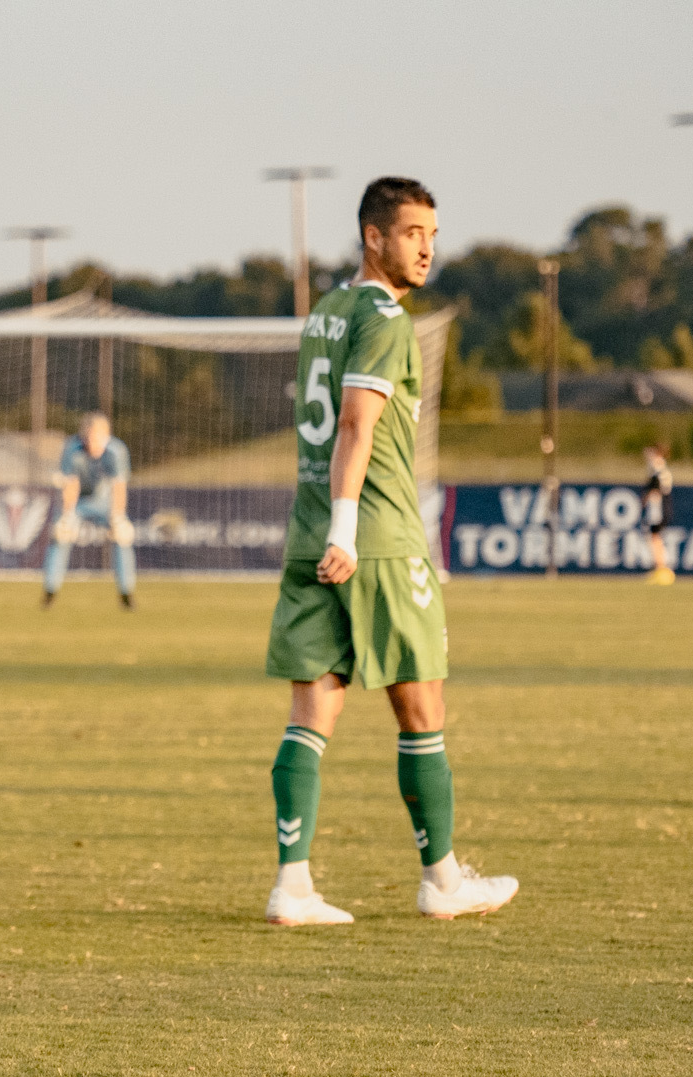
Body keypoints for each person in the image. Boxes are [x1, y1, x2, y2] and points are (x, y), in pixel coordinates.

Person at [262, 178, 517, 926]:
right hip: (372, 539)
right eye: (412, 233)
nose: (427, 247)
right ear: (373, 237)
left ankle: (293, 885)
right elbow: (354, 426)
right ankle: (441, 880)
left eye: (432, 233)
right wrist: (348, 530)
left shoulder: (325, 313)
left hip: (310, 534)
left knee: (312, 709)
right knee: (421, 708)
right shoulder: (383, 319)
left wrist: (327, 531)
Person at [42, 411, 135, 609]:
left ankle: (126, 594)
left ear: (107, 436)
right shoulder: (72, 448)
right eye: (89, 438)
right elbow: (71, 485)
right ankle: (50, 593)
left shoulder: (116, 451)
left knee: (123, 538)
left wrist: (118, 517)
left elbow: (119, 487)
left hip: (105, 502)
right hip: (78, 503)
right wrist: (67, 515)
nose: (93, 444)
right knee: (60, 536)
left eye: (98, 438)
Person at [642, 442, 675, 584]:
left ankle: (661, 569)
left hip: (659, 509)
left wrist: (646, 500)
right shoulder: (660, 469)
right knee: (655, 538)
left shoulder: (657, 469)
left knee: (655, 538)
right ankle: (660, 568)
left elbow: (655, 491)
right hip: (661, 507)